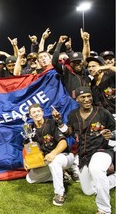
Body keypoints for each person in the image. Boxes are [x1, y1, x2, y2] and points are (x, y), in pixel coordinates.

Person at [53, 86, 116, 214]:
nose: (87, 99)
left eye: (89, 96)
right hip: (84, 155)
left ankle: (104, 209)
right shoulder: (73, 115)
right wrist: (60, 122)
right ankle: (113, 178)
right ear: (77, 99)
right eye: (83, 97)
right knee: (88, 191)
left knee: (96, 169)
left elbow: (114, 129)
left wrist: (112, 135)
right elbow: (69, 132)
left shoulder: (102, 112)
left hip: (102, 150)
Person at [25, 103, 74, 206]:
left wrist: (53, 153)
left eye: (38, 111)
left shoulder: (52, 123)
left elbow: (64, 143)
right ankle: (61, 175)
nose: (37, 113)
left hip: (64, 156)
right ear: (30, 116)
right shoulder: (29, 129)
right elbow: (29, 147)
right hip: (47, 160)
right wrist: (26, 160)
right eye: (34, 112)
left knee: (54, 162)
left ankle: (60, 194)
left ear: (42, 112)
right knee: (30, 179)